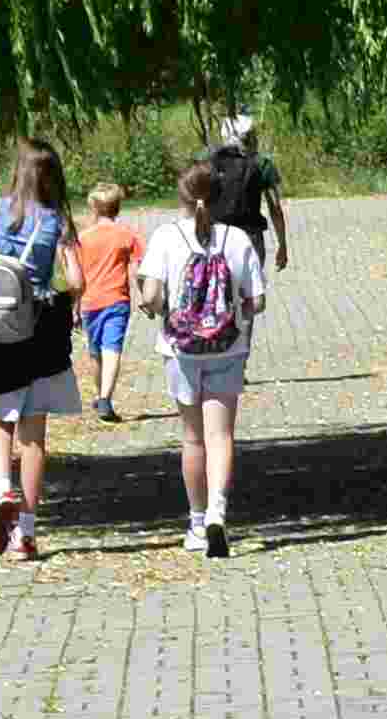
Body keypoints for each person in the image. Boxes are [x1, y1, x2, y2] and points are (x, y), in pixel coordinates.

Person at [0, 135, 81, 562]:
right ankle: (25, 536)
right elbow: (77, 281)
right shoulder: (55, 222)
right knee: (33, 436)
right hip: (41, 334)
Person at [151, 156, 269, 556]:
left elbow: (152, 296)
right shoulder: (237, 239)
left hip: (181, 351)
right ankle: (219, 510)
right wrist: (231, 312)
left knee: (192, 437)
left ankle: (197, 523)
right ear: (218, 198)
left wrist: (154, 306)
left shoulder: (165, 237)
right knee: (222, 435)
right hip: (227, 347)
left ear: (182, 196)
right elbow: (258, 301)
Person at [69, 181, 151, 422]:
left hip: (89, 302)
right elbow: (138, 270)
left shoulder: (82, 239)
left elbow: (77, 278)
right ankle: (104, 398)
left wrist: (74, 308)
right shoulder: (127, 235)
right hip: (117, 300)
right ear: (117, 207)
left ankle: (102, 395)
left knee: (96, 352)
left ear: (93, 208)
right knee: (111, 349)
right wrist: (145, 297)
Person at [206, 109, 292, 275]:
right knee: (253, 295)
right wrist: (282, 244)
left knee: (217, 290)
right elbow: (275, 208)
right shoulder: (262, 164)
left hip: (217, 237)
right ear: (249, 137)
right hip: (250, 236)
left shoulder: (210, 161)